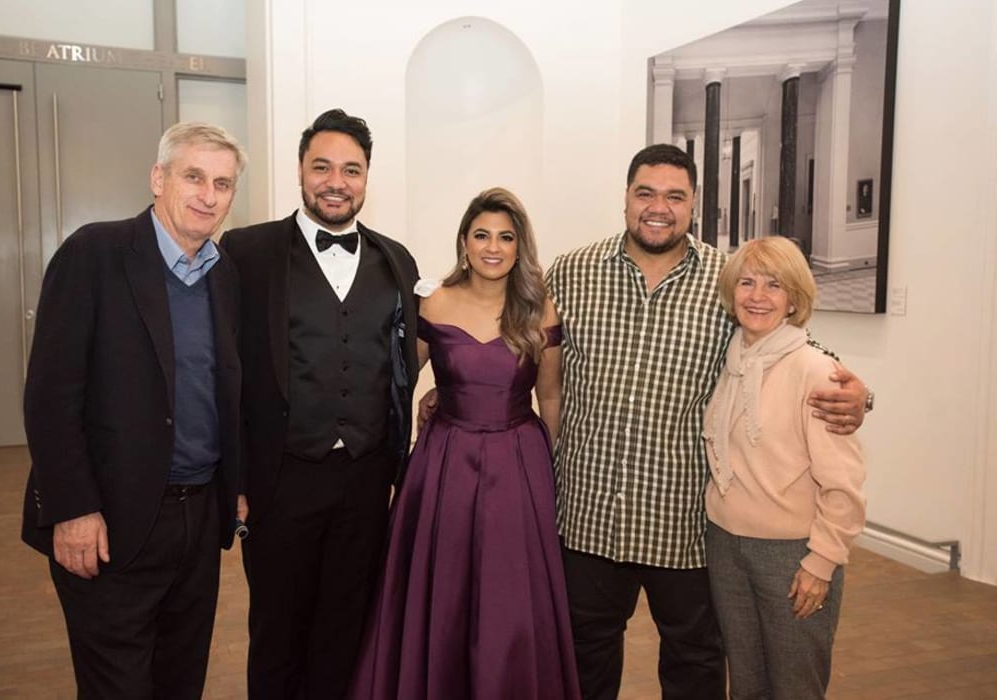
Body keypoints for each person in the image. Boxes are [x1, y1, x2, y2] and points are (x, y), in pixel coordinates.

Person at [543, 144, 870, 700]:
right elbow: (522, 358)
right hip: (589, 513)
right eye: (645, 193)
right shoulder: (571, 272)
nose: (658, 207)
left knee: (695, 664)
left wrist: (862, 396)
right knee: (583, 658)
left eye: (675, 196)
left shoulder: (730, 279)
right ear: (625, 198)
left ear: (695, 204)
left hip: (688, 522)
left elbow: (801, 353)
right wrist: (449, 397)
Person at [21, 121, 247, 698]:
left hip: (197, 523)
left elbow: (225, 391)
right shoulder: (94, 254)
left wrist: (236, 486)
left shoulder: (223, 276)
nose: (208, 195)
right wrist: (71, 508)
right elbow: (50, 395)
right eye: (193, 176)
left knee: (180, 681)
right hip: (110, 523)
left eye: (222, 184)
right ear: (158, 178)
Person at [349, 188, 581, 700]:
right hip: (443, 466)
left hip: (518, 465)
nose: (492, 247)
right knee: (443, 590)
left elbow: (552, 398)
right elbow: (398, 381)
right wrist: (424, 409)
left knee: (509, 595)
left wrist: (556, 474)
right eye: (482, 235)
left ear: (520, 247)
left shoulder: (540, 308)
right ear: (464, 242)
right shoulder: (435, 301)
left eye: (505, 237)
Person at [219, 108, 420, 700]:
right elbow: (222, 370)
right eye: (322, 167)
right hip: (281, 478)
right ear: (301, 172)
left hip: (366, 478)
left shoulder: (396, 260)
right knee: (278, 630)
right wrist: (231, 477)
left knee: (346, 628)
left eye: (351, 170)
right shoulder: (246, 252)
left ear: (366, 177)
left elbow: (411, 357)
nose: (337, 181)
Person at [702, 236, 865, 699]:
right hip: (726, 545)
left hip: (792, 555)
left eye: (773, 285)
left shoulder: (815, 370)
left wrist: (822, 561)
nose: (757, 296)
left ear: (794, 298)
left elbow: (844, 482)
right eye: (747, 283)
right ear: (731, 293)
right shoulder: (731, 361)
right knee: (747, 686)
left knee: (796, 687)